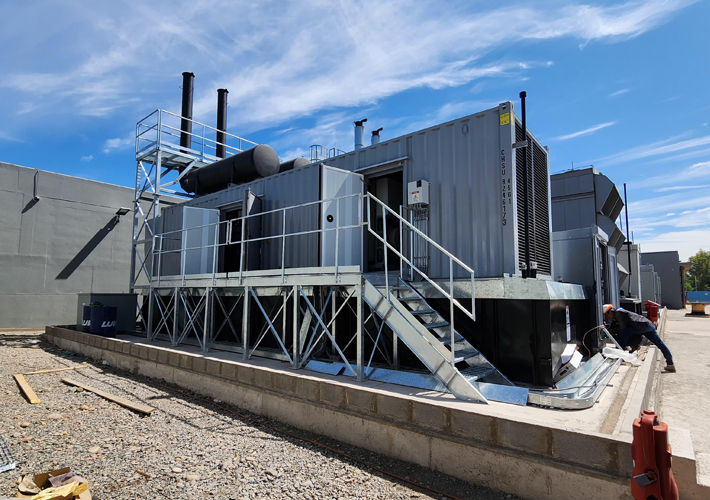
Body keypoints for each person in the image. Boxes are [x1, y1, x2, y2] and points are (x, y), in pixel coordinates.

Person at [602, 304, 675, 372]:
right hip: (648, 325)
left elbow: (622, 328)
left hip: (643, 327)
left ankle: (620, 354)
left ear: (610, 312)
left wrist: (612, 331)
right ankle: (670, 364)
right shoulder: (618, 313)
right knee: (659, 343)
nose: (607, 318)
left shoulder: (618, 313)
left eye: (606, 315)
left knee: (623, 333)